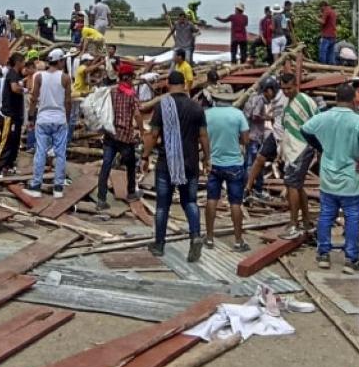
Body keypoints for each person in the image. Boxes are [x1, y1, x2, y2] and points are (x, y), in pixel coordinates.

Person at [305, 83, 359, 273]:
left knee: (326, 216)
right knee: (352, 219)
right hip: (351, 178)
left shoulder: (324, 117)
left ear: (336, 99)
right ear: (354, 100)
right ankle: (351, 259)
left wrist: (321, 147)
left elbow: (305, 129)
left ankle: (323, 254)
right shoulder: (358, 121)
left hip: (328, 177)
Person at [142, 71, 209, 261]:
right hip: (190, 163)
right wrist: (207, 158)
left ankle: (159, 244)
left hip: (167, 163)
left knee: (163, 206)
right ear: (184, 85)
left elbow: (153, 135)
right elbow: (203, 135)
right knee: (190, 202)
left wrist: (145, 156)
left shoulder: (164, 106)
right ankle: (195, 236)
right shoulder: (196, 108)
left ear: (169, 85)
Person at [203, 85, 251, 252]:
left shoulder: (207, 114)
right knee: (235, 203)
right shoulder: (238, 115)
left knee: (211, 200)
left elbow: (202, 137)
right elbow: (246, 140)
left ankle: (208, 238)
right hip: (234, 164)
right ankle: (238, 241)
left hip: (214, 163)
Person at [274, 73, 319, 239]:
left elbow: (318, 121)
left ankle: (294, 224)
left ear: (296, 85)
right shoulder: (287, 102)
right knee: (297, 185)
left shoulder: (305, 100)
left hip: (302, 147)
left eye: (289, 88)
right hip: (291, 149)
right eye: (283, 89)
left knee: (292, 184)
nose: (286, 91)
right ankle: (306, 221)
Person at [95, 61, 143, 210]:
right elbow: (137, 114)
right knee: (130, 165)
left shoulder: (112, 91)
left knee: (106, 165)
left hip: (110, 134)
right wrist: (141, 130)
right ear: (128, 78)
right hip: (125, 136)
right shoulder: (131, 94)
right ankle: (130, 192)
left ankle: (101, 199)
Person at [26, 48, 72, 198]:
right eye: (63, 60)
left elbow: (34, 98)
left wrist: (31, 117)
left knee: (40, 152)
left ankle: (36, 186)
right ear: (59, 61)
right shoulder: (65, 78)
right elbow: (68, 101)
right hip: (59, 119)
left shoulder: (39, 77)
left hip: (43, 119)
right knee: (60, 153)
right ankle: (58, 187)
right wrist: (67, 118)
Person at [243, 77, 284, 202]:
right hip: (254, 136)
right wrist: (269, 117)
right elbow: (255, 115)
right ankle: (256, 189)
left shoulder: (254, 98)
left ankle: (250, 188)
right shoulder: (260, 100)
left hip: (251, 135)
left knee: (252, 163)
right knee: (255, 163)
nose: (267, 95)